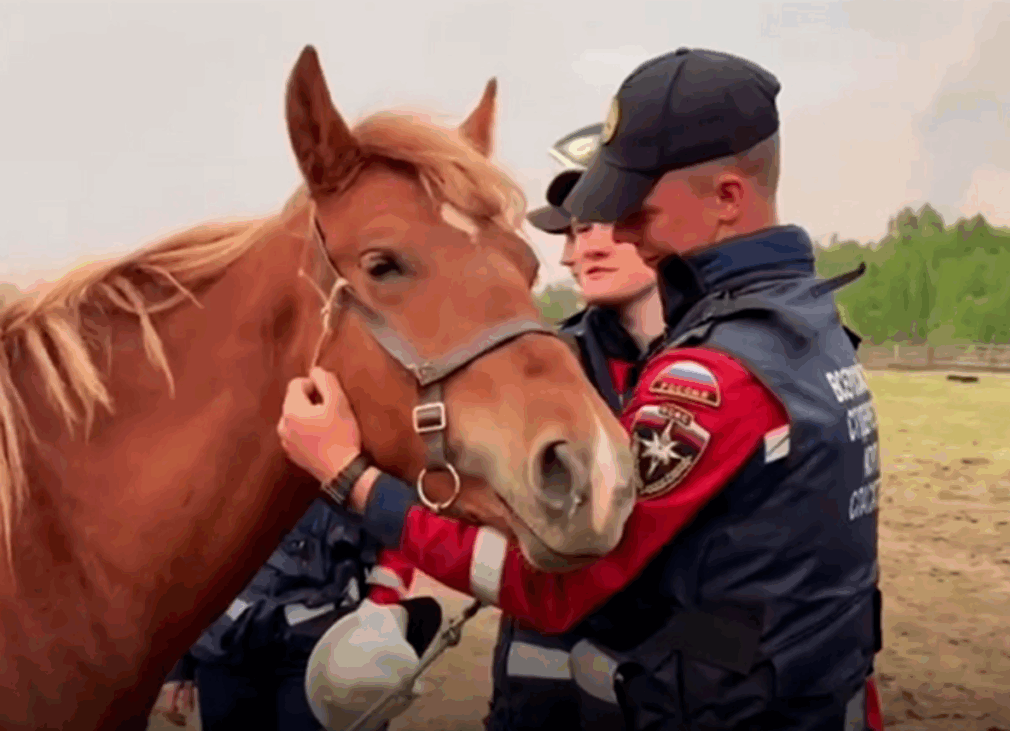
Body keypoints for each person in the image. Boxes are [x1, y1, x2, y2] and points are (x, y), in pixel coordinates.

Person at [279, 47, 885, 731]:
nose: (612, 235)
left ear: (726, 199)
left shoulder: (712, 378)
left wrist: (350, 477)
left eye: (636, 210)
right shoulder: (807, 325)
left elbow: (554, 590)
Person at [484, 165, 664, 731]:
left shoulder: (730, 363)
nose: (571, 256)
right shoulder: (545, 367)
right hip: (537, 692)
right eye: (569, 233)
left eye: (594, 225)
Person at [155, 500, 415, 731]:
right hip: (225, 645)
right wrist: (179, 663)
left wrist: (379, 620)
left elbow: (396, 516)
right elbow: (185, 546)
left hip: (321, 646)